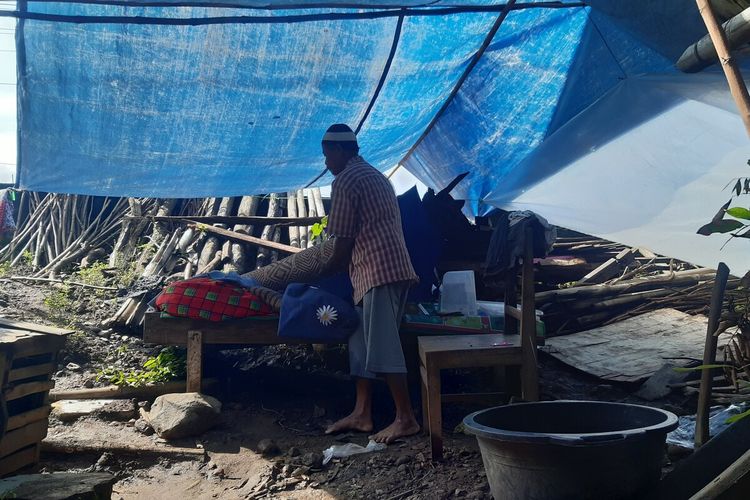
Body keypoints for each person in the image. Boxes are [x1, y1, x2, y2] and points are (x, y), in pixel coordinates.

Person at [320, 123, 420, 444]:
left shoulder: (346, 180)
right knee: (361, 342)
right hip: (379, 269)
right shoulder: (376, 176)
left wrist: (321, 269)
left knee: (383, 343)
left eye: (326, 156)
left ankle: (406, 419)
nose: (325, 164)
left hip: (379, 270)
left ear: (339, 151)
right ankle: (362, 413)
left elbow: (342, 239)